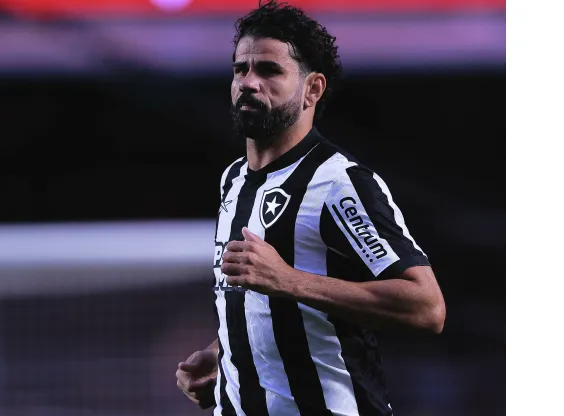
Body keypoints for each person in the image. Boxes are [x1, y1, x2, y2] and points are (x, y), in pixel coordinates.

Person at [174, 1, 446, 415]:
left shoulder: (338, 183)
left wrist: (289, 279)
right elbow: (263, 303)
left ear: (312, 89)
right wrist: (225, 352)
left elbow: (426, 307)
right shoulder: (234, 178)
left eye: (269, 70)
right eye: (239, 69)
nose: (248, 83)